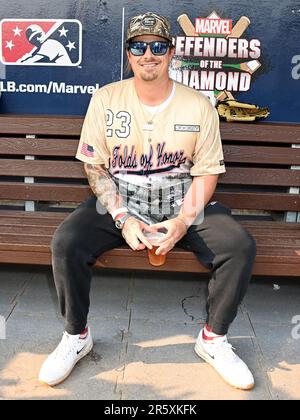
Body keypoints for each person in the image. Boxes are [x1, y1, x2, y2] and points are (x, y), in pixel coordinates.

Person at [38, 12, 256, 390]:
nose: (148, 54)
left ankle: (214, 339)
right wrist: (123, 217)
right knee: (67, 242)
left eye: (157, 46)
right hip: (121, 198)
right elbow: (95, 169)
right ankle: (77, 336)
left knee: (238, 245)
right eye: (138, 46)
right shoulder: (106, 98)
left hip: (180, 198)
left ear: (171, 53)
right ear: (128, 53)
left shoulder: (198, 104)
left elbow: (207, 173)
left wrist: (182, 222)